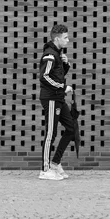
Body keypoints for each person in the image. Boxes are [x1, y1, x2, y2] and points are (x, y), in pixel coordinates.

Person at [38, 24, 74, 181]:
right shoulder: (50, 56)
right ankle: (45, 170)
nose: (68, 40)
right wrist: (62, 86)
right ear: (57, 39)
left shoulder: (58, 55)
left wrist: (66, 65)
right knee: (50, 134)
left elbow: (58, 75)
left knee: (72, 128)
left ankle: (55, 163)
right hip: (51, 98)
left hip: (58, 97)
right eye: (65, 37)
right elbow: (44, 77)